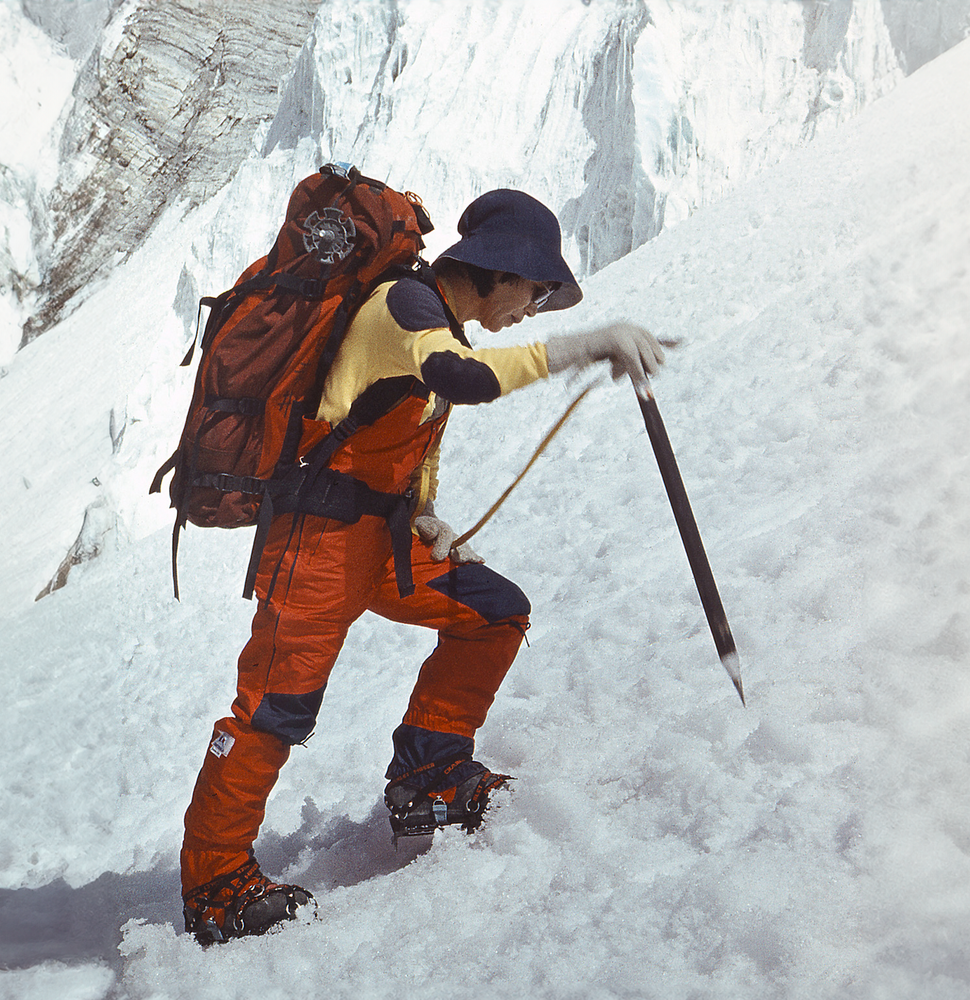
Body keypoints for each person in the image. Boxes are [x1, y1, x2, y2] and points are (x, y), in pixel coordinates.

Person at [179, 188, 666, 943]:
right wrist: (589, 344)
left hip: (383, 540)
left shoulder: (436, 318)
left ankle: (430, 775)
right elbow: (460, 379)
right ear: (499, 271)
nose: (534, 309)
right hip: (316, 548)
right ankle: (214, 885)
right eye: (535, 291)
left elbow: (401, 426)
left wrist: (427, 517)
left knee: (493, 613)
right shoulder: (407, 306)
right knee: (273, 712)